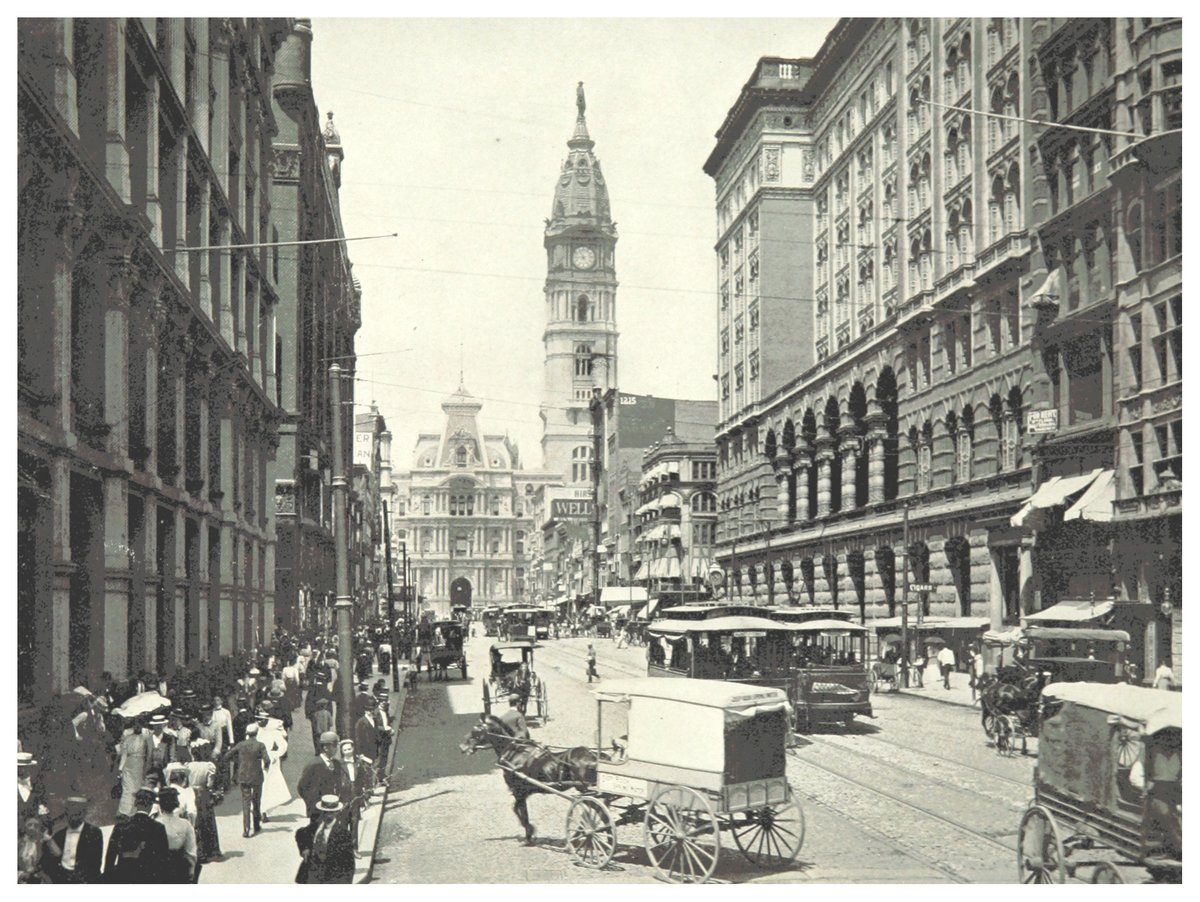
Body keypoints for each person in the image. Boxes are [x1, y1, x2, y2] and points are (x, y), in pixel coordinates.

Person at [104, 787, 168, 883]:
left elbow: (110, 856)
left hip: (123, 876)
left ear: (135, 803)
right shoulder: (158, 828)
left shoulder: (121, 826)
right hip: (147, 878)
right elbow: (162, 859)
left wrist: (108, 878)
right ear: (151, 805)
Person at [221, 723, 272, 838]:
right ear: (257, 733)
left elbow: (227, 756)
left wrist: (239, 761)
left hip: (244, 775)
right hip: (257, 776)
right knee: (257, 800)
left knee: (246, 802)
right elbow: (267, 759)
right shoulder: (260, 745)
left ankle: (246, 828)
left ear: (247, 734)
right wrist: (266, 766)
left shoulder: (241, 745)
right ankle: (256, 824)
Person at [295, 795, 356, 884]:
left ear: (337, 812)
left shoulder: (343, 835)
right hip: (311, 875)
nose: (328, 815)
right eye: (325, 812)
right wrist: (305, 848)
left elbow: (349, 865)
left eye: (331, 812)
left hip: (330, 878)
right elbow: (300, 833)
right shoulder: (315, 826)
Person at [48, 796, 103, 883]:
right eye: (70, 812)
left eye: (78, 813)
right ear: (66, 814)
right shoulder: (59, 835)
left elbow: (95, 864)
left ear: (84, 813)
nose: (74, 816)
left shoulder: (94, 833)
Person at [185, 739, 222, 864]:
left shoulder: (187, 766)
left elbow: (185, 782)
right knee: (207, 820)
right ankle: (211, 851)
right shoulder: (208, 766)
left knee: (195, 822)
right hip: (203, 794)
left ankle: (198, 852)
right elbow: (209, 784)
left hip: (191, 793)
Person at [297, 732, 348, 824]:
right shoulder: (313, 765)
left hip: (333, 808)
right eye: (335, 746)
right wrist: (312, 804)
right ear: (325, 748)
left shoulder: (336, 764)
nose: (337, 749)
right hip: (317, 810)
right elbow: (301, 787)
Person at [157, 787, 198, 883]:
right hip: (179, 863)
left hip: (160, 865)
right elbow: (191, 850)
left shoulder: (155, 823)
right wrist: (192, 868)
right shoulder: (185, 824)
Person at [115, 719, 154, 818]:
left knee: (137, 788)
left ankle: (135, 811)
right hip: (129, 765)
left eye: (139, 725)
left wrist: (147, 766)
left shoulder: (146, 737)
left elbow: (149, 753)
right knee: (127, 788)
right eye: (136, 725)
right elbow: (124, 754)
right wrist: (121, 768)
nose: (137, 727)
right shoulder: (128, 738)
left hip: (140, 765)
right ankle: (124, 812)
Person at [256, 710, 292, 818]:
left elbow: (283, 745)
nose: (260, 722)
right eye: (258, 720)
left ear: (267, 720)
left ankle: (264, 811)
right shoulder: (256, 730)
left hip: (269, 762)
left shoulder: (273, 731)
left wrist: (276, 754)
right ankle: (259, 810)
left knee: (266, 786)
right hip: (256, 761)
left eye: (262, 720)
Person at [18, 813, 60, 883]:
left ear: (39, 828)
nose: (32, 828)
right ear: (24, 827)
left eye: (36, 825)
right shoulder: (19, 843)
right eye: (29, 825)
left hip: (40, 881)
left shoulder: (43, 843)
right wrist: (21, 874)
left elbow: (58, 854)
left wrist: (49, 839)